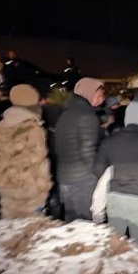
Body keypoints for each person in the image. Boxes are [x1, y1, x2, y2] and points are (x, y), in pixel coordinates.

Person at [93, 101, 138, 249]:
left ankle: (116, 271)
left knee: (115, 244)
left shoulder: (109, 141)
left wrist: (115, 180)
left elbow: (97, 168)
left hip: (115, 198)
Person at [0, 84, 52, 218]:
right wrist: (43, 190)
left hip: (6, 187)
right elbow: (40, 162)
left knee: (9, 229)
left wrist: (1, 181)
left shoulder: (0, 126)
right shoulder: (33, 127)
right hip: (30, 191)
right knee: (32, 230)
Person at [54, 77, 106, 222]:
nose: (102, 99)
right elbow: (88, 153)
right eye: (99, 94)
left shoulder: (66, 114)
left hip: (64, 178)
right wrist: (100, 175)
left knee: (71, 223)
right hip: (82, 181)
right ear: (89, 94)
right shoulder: (87, 116)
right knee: (85, 225)